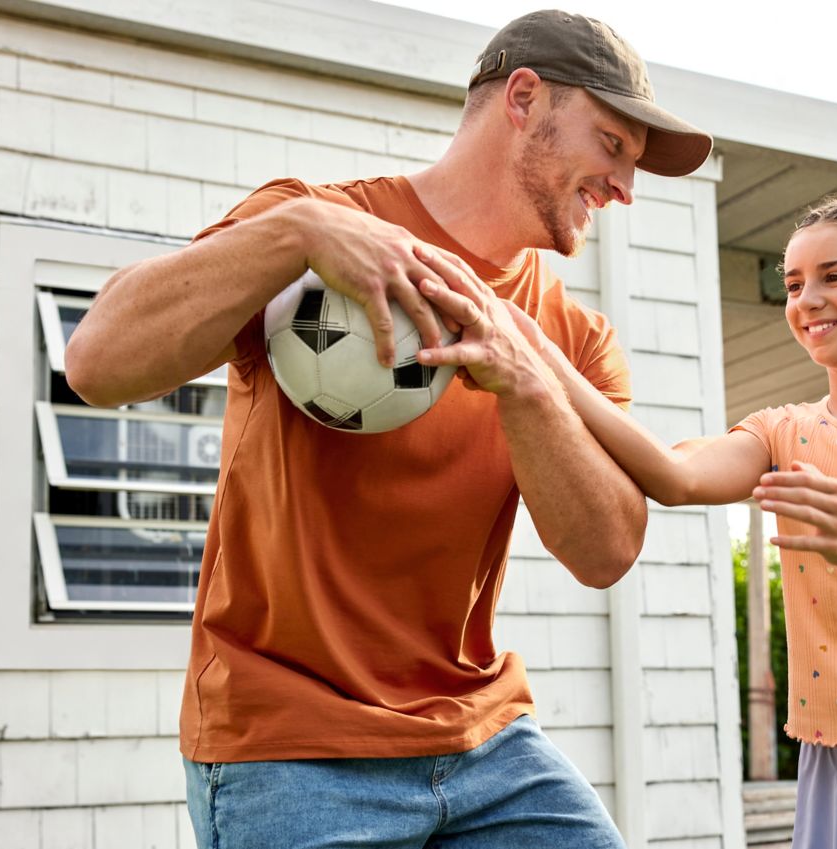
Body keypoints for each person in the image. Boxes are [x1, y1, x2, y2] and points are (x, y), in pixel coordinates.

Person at [63, 10, 713, 849]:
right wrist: (294, 235)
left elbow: (606, 552)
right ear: (523, 98)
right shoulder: (313, 224)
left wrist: (522, 381)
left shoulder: (576, 340)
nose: (624, 187)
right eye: (613, 146)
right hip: (291, 748)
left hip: (484, 746)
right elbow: (95, 361)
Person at [423, 192, 837, 848]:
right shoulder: (782, 431)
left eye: (834, 276)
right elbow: (672, 474)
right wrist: (541, 361)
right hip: (835, 753)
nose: (806, 299)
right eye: (793, 283)